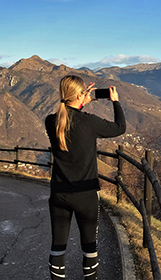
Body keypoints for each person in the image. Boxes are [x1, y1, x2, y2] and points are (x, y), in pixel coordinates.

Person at [44, 75, 126, 280]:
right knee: (89, 247)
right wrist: (115, 101)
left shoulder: (51, 121)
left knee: (58, 246)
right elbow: (119, 127)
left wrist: (81, 100)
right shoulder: (89, 122)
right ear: (81, 94)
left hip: (59, 194)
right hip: (85, 195)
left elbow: (69, 117)